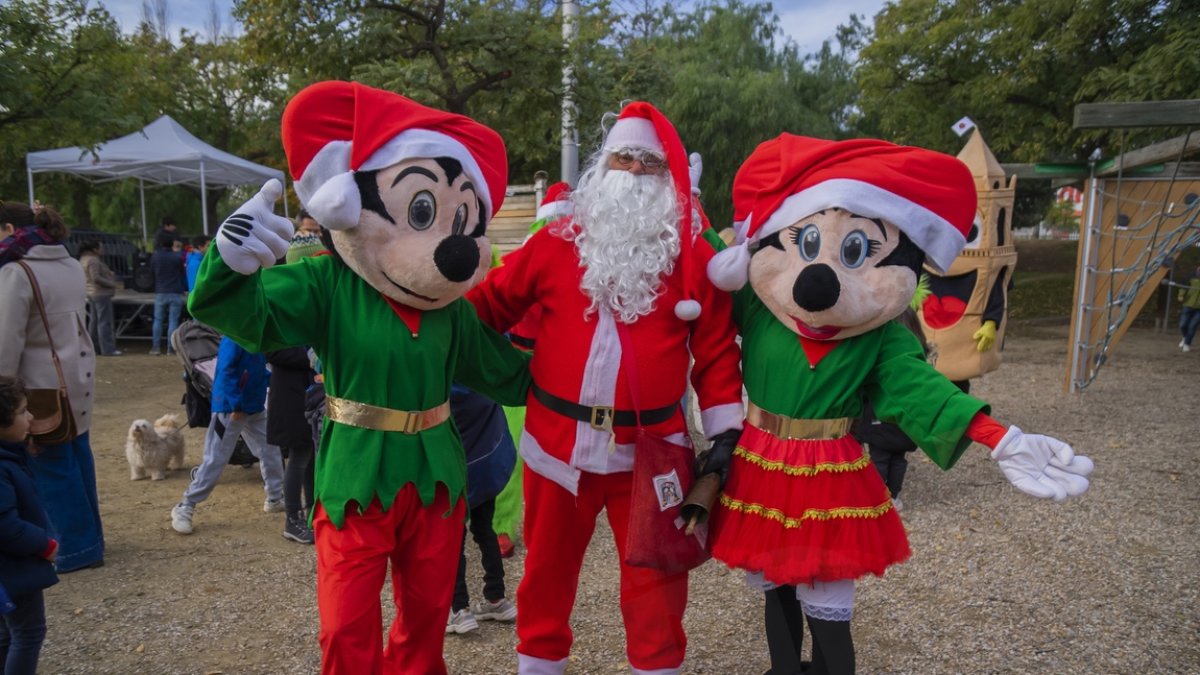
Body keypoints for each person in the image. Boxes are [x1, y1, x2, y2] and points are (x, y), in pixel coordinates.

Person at [188, 81, 532, 675]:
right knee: (346, 624)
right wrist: (229, 265)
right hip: (356, 469)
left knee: (425, 623)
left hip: (436, 477)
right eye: (422, 211)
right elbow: (239, 314)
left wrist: (583, 354)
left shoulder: (451, 310)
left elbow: (510, 376)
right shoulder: (328, 285)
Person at [466, 102, 744, 675]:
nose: (637, 172)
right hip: (554, 445)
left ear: (669, 174)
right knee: (544, 575)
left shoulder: (693, 257)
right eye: (626, 158)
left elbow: (715, 352)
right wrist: (425, 314)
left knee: (657, 584)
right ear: (604, 165)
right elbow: (487, 307)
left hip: (652, 451)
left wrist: (724, 433)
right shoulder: (555, 242)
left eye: (650, 162)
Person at [0, 202, 105, 573]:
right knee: (78, 460)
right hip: (77, 378)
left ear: (9, 228)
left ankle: (75, 549)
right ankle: (90, 539)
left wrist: (5, 396)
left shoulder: (17, 271)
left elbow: (6, 343)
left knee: (51, 469)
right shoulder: (67, 264)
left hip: (39, 387)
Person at [170, 336, 286, 535]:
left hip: (254, 405)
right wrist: (235, 404)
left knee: (271, 450)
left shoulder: (255, 338)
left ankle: (275, 497)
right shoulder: (234, 338)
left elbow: (258, 371)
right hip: (231, 409)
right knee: (216, 458)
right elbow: (226, 372)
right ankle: (185, 506)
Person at [446, 384, 518, 635]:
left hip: (456, 471)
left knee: (454, 539)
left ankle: (459, 608)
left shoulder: (444, 387)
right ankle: (497, 598)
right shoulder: (483, 381)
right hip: (486, 465)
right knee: (485, 530)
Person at [0, 375, 59, 675]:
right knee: (28, 633)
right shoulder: (2, 465)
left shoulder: (11, 456)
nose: (31, 417)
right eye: (23, 411)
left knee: (7, 635)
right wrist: (45, 544)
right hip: (14, 569)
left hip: (10, 571)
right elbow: (5, 525)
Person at [851, 309, 928, 513]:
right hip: (905, 421)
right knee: (898, 458)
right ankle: (893, 495)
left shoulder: (884, 356)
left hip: (880, 419)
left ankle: (877, 496)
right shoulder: (918, 357)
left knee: (880, 458)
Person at [267, 346, 316, 544]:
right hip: (290, 398)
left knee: (311, 455)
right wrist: (311, 357)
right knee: (299, 456)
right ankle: (292, 519)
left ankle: (313, 512)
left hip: (309, 396)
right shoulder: (281, 326)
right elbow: (273, 352)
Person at [78, 240, 122, 356]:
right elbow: (95, 277)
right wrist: (111, 283)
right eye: (101, 248)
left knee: (94, 321)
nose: (102, 250)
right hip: (101, 293)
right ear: (95, 249)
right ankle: (108, 349)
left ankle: (93, 346)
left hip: (91, 293)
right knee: (104, 322)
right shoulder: (93, 260)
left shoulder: (83, 259)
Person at [150, 232, 186, 356]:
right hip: (175, 291)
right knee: (173, 321)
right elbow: (182, 273)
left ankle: (156, 347)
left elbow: (152, 272)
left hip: (160, 291)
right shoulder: (177, 257)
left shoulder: (155, 257)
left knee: (158, 320)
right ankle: (171, 348)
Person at [1177, 266, 1200, 352]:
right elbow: (1184, 286)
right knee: (1183, 324)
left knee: (1192, 326)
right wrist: (1181, 295)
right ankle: (1185, 337)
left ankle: (1187, 344)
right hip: (1188, 305)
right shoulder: (1191, 276)